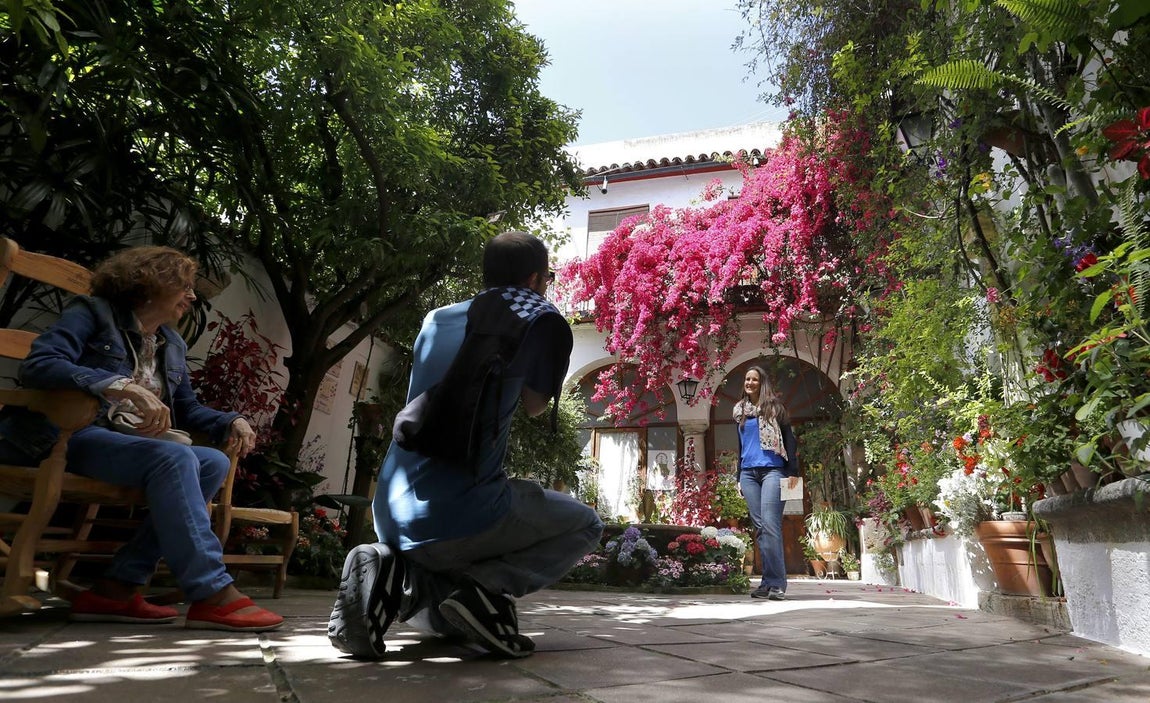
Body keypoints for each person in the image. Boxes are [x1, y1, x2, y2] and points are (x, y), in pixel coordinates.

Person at [329, 231, 604, 660]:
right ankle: (488, 589)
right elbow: (533, 407)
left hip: (390, 507)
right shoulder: (531, 321)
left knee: (448, 617)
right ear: (535, 278)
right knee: (586, 523)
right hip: (463, 513)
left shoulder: (435, 319)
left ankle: (386, 566)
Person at [0, 246, 283, 631]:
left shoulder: (172, 344)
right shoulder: (93, 313)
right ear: (152, 284)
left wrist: (234, 420)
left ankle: (117, 587)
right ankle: (211, 591)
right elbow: (40, 365)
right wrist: (119, 386)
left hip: (124, 444)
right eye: (184, 286)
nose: (192, 296)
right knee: (175, 459)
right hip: (67, 436)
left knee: (212, 460)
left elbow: (187, 409)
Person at [733, 365, 799, 601]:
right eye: (747, 379)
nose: (750, 382)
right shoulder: (739, 411)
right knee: (760, 528)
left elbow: (790, 440)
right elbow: (740, 445)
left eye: (754, 379)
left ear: (762, 383)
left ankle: (778, 584)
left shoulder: (775, 408)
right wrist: (738, 475)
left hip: (774, 470)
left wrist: (793, 471)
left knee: (770, 526)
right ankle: (767, 583)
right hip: (749, 473)